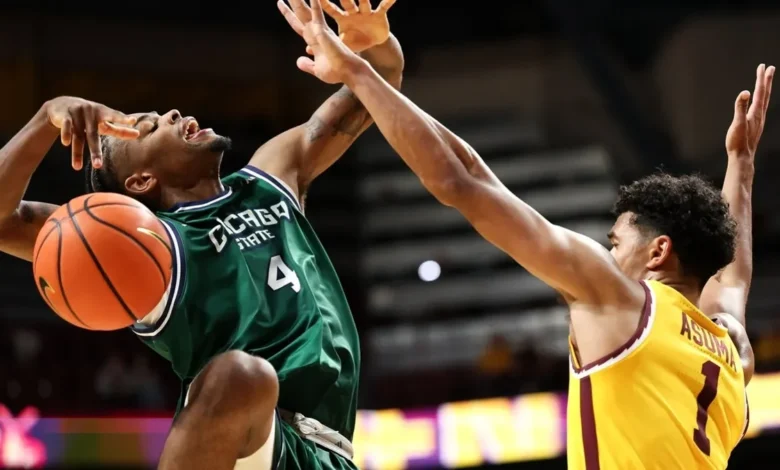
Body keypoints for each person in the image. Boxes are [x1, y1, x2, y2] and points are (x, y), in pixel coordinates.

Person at [290, 3, 772, 468]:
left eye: (616, 243)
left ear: (658, 251)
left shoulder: (622, 302)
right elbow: (731, 276)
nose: (609, 255)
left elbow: (463, 180)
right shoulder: (730, 346)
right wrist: (741, 166)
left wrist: (360, 71)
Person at [0, 1, 403, 469]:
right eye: (149, 127)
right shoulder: (137, 243)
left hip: (331, 452)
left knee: (248, 376)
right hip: (248, 442)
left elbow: (380, 82)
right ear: (140, 182)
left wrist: (375, 42)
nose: (171, 113)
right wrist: (44, 118)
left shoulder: (270, 176)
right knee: (243, 374)